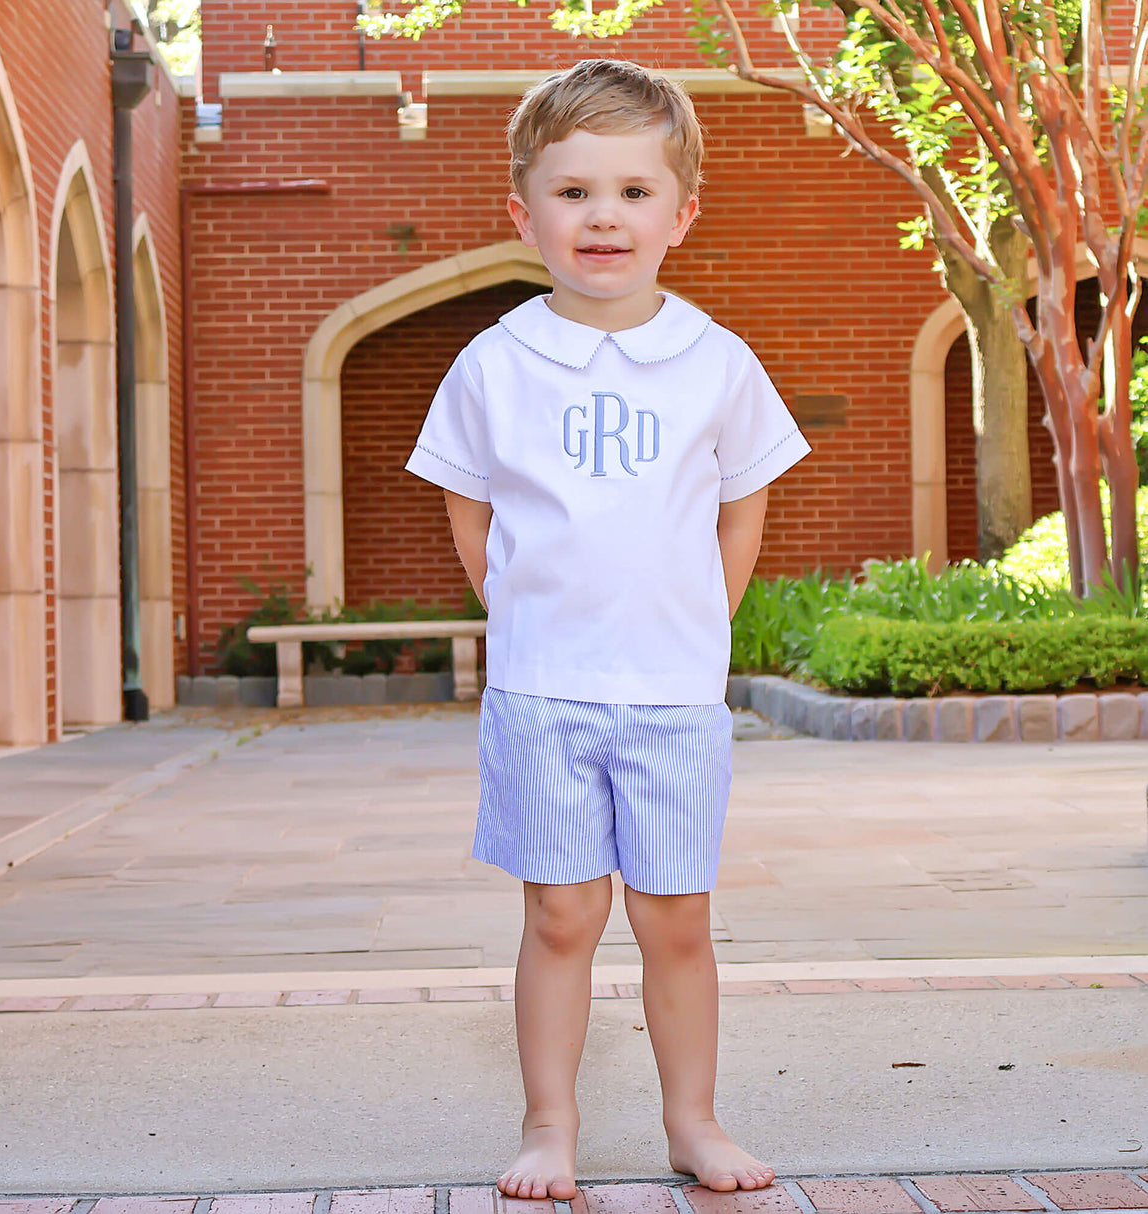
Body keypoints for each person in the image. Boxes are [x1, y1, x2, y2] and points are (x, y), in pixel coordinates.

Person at [405, 58, 811, 1200]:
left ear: (680, 214)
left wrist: (699, 620)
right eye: (574, 189)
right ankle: (549, 1125)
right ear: (522, 210)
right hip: (543, 693)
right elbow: (466, 503)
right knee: (561, 909)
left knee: (676, 916)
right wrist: (525, 612)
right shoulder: (494, 361)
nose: (602, 216)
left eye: (634, 192)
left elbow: (743, 500)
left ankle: (692, 1118)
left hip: (673, 696)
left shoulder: (716, 362)